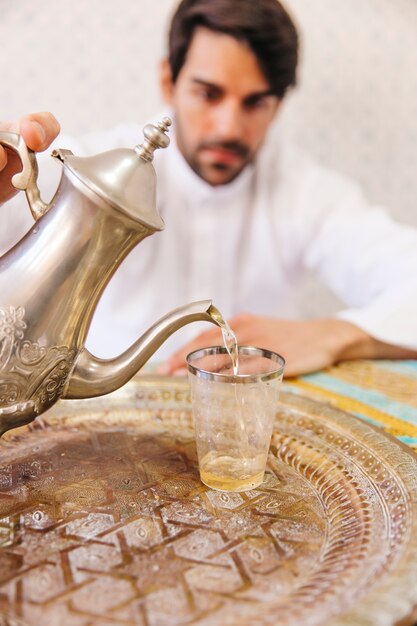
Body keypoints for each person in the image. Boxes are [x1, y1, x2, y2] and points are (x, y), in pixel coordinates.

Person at [1, 0, 417, 377]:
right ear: (169, 81)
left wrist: (334, 334)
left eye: (255, 102)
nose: (228, 128)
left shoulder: (307, 193)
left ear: (279, 104)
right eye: (208, 94)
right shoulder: (85, 171)